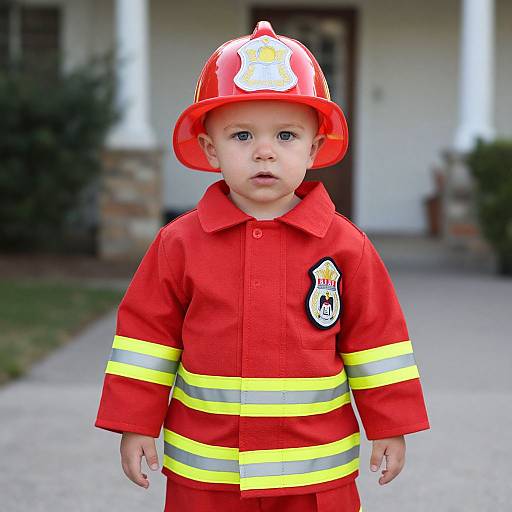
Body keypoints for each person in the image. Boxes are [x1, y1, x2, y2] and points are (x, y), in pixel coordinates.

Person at [95, 21, 430, 512]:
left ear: (315, 149)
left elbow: (378, 343)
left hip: (316, 470)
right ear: (211, 149)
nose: (265, 151)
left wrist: (391, 425)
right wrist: (135, 422)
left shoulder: (345, 246)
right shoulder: (179, 243)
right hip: (207, 469)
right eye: (242, 134)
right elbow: (145, 341)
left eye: (287, 134)